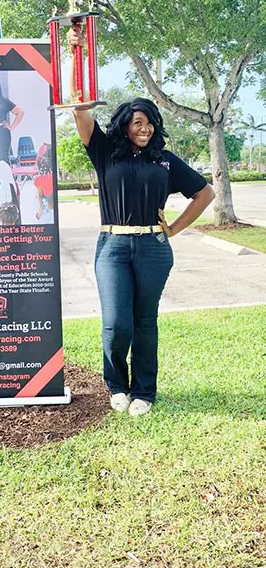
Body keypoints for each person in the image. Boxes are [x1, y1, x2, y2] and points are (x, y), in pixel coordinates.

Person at [67, 24, 215, 416]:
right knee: (117, 325)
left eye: (149, 123)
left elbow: (205, 193)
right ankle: (117, 384)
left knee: (145, 323)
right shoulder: (105, 152)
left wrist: (175, 228)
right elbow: (79, 109)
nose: (144, 128)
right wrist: (76, 54)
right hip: (112, 246)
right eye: (137, 123)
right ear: (124, 126)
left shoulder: (164, 160)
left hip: (153, 246)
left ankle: (144, 391)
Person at [34, 148, 53, 220]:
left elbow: (40, 196)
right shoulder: (52, 176)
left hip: (49, 205)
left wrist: (40, 210)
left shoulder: (38, 180)